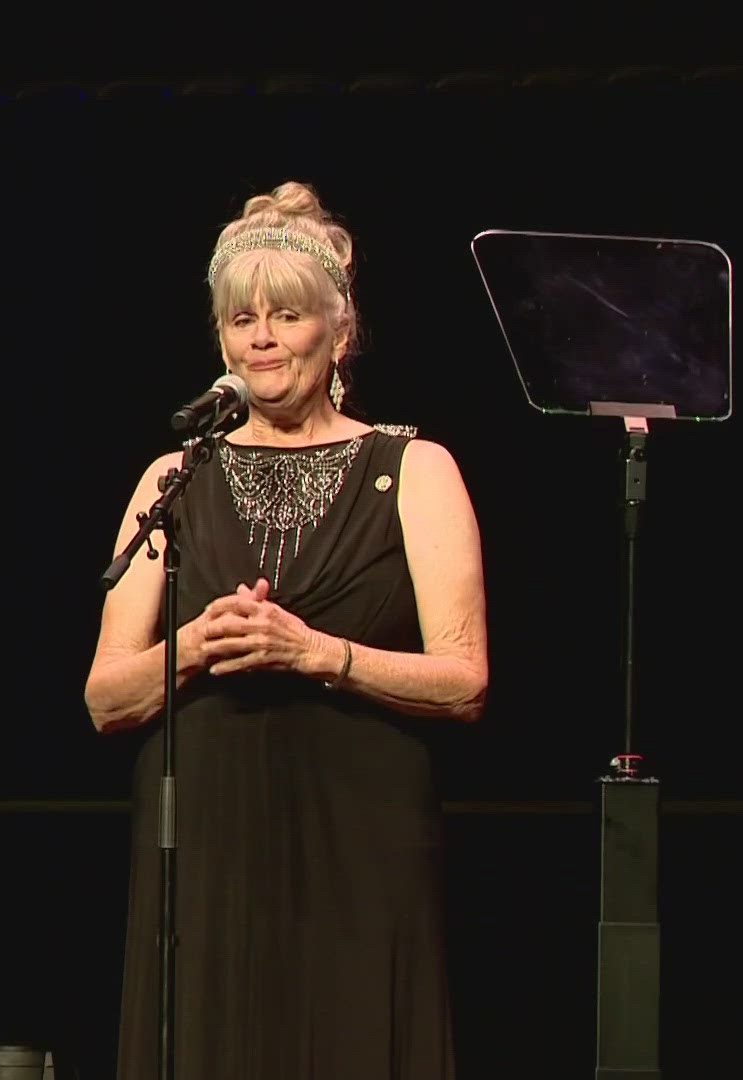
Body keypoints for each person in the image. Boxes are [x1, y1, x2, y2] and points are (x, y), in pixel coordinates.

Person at [84, 181, 490, 1079]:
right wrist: (195, 647)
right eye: (242, 320)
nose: (261, 338)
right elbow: (104, 699)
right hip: (209, 845)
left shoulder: (413, 469)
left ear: (339, 333)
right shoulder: (175, 478)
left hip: (361, 835)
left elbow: (464, 679)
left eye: (286, 315)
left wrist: (313, 653)